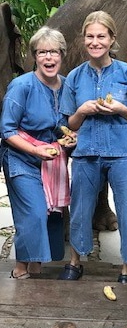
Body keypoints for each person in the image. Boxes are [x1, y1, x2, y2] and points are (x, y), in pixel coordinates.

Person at [58, 10, 127, 283]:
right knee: (80, 209)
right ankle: (75, 261)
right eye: (90, 36)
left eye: (101, 36)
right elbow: (70, 125)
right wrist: (83, 110)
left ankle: (126, 268)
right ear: (84, 40)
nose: (95, 42)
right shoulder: (74, 77)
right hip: (87, 153)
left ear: (112, 39)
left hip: (125, 153)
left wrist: (121, 108)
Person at [0, 26, 75, 279]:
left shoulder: (66, 86)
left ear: (62, 55)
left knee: (50, 214)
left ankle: (35, 268)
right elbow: (7, 130)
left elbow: (63, 124)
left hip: (51, 159)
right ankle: (20, 269)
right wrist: (35, 149)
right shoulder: (21, 86)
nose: (48, 58)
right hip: (21, 158)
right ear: (35, 56)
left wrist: (68, 137)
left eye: (54, 52)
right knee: (33, 211)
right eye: (42, 52)